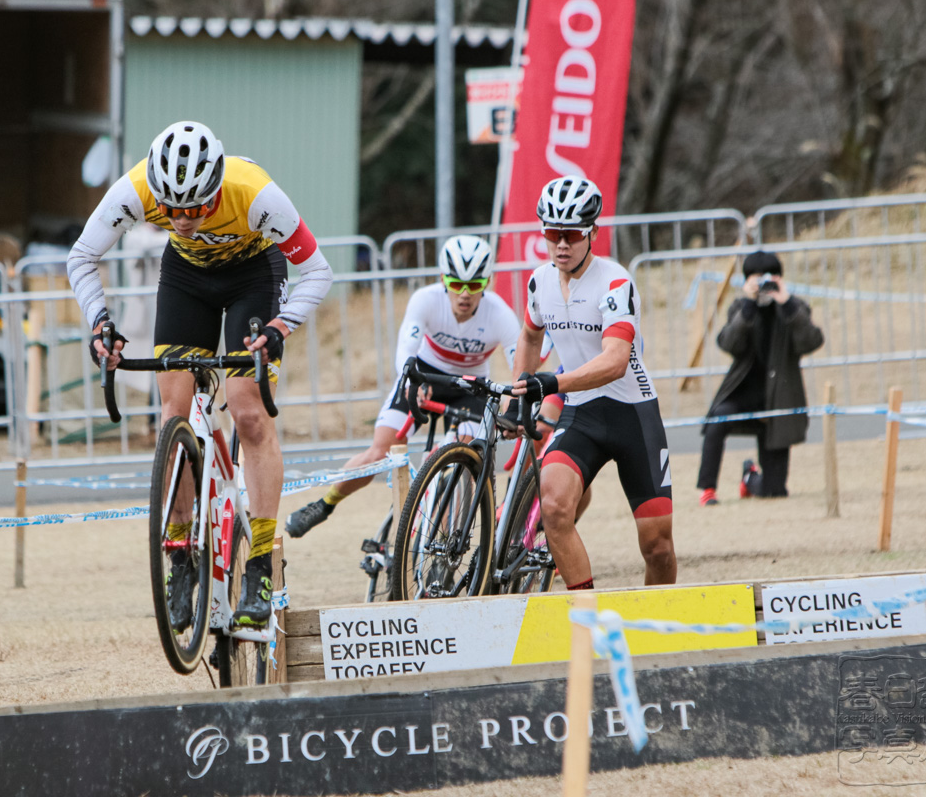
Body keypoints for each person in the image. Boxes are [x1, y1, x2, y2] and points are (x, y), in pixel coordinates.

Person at [67, 121, 333, 628]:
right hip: (187, 279)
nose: (184, 219)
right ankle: (180, 554)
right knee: (174, 411)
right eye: (172, 210)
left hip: (253, 274)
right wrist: (101, 321)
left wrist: (279, 327)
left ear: (215, 189)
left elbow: (318, 272)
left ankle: (258, 560)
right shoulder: (137, 189)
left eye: (196, 208)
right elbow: (82, 257)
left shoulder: (255, 195)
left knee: (248, 408)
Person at [284, 234, 521, 539]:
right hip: (424, 374)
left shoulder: (499, 314)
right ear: (442, 279)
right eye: (456, 283)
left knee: (465, 461)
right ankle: (325, 503)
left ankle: (443, 545)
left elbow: (519, 366)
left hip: (468, 386)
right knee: (380, 451)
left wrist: (514, 405)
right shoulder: (426, 299)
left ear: (486, 283)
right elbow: (406, 350)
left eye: (474, 285)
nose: (464, 294)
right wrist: (411, 382)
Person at [510, 176, 675, 590]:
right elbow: (530, 336)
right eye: (552, 233)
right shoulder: (540, 282)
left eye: (571, 235)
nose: (561, 244)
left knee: (657, 546)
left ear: (592, 233)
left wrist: (551, 383)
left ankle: (658, 630)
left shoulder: (615, 282)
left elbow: (615, 361)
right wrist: (519, 390)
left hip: (633, 414)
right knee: (554, 507)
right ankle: (587, 618)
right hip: (581, 414)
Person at [696, 251, 824, 505]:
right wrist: (748, 305)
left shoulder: (794, 308)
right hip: (742, 396)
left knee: (775, 491)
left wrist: (786, 304)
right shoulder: (741, 307)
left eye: (771, 276)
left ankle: (749, 478)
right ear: (747, 281)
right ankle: (707, 489)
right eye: (758, 277)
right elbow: (728, 343)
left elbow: (811, 341)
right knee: (718, 419)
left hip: (778, 402)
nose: (765, 282)